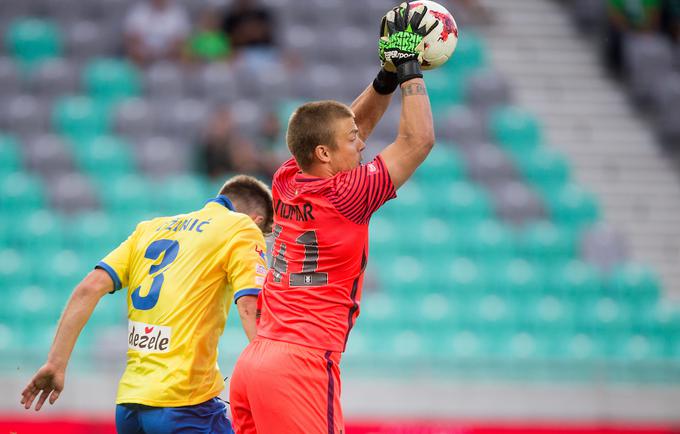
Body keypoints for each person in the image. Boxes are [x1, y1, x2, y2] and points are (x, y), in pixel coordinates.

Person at [229, 3, 436, 433]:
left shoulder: (288, 176)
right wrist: (410, 69)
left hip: (255, 361)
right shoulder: (348, 194)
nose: (362, 146)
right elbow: (417, 141)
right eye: (352, 142)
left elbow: (342, 127)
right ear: (324, 153)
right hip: (301, 365)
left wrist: (385, 78)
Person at [21, 175, 274, 434]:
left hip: (130, 407)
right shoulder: (242, 228)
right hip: (185, 403)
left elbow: (88, 288)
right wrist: (271, 372)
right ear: (258, 220)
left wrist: (55, 363)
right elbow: (248, 306)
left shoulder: (150, 228)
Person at [124, 0, 191, 66]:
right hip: (143, 54)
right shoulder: (139, 10)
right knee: (134, 49)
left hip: (170, 56)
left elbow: (181, 38)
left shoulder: (178, 12)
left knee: (183, 50)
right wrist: (148, 51)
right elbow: (131, 36)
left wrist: (163, 52)